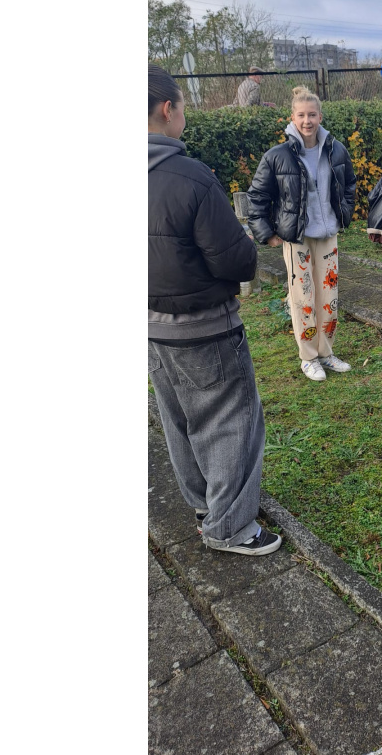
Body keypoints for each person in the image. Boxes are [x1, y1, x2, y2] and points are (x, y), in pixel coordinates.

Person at [147, 65, 281, 556]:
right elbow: (236, 260)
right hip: (204, 326)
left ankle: (205, 506)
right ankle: (231, 527)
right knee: (230, 420)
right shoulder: (192, 177)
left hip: (151, 329)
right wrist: (244, 242)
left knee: (179, 418)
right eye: (182, 105)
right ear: (168, 109)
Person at [247, 85, 356, 382]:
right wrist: (267, 233)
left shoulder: (336, 150)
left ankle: (326, 352)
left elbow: (349, 183)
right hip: (296, 238)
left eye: (312, 115)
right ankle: (308, 357)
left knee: (329, 297)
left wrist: (344, 213)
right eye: (301, 115)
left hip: (328, 234)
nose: (307, 121)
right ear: (292, 118)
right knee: (303, 298)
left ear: (320, 116)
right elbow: (257, 196)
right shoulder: (277, 155)